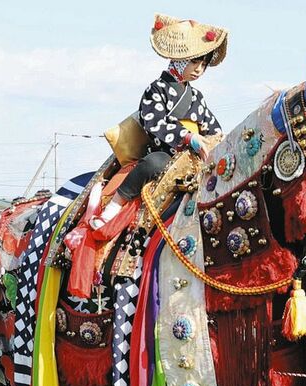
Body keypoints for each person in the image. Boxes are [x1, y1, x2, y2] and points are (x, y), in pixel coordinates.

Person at [90, 14, 227, 229]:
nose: (199, 69)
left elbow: (213, 129)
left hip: (193, 161)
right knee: (155, 163)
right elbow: (154, 123)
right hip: (163, 152)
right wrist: (189, 137)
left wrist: (215, 143)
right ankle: (113, 208)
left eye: (204, 64)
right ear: (181, 59)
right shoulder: (156, 89)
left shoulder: (197, 98)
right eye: (195, 62)